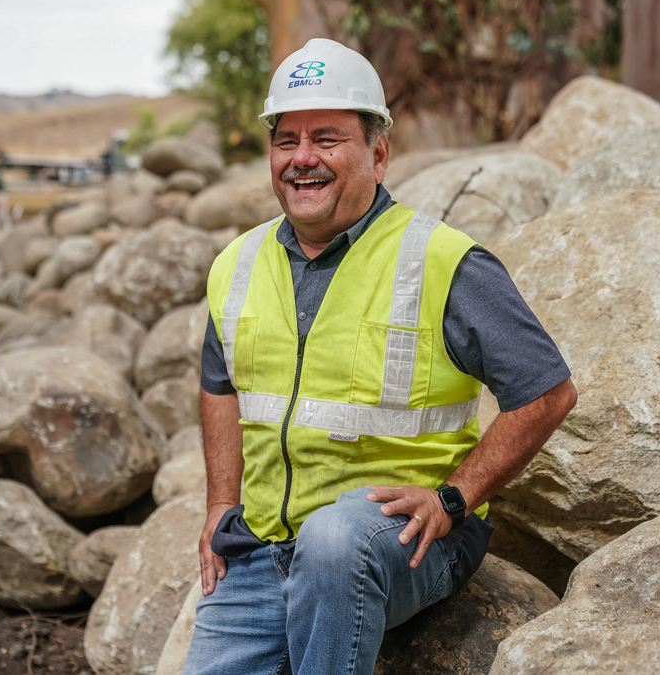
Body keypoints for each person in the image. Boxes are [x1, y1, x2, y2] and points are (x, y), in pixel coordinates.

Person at [183, 38, 577, 675]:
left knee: (334, 540)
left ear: (379, 152)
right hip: (261, 546)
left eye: (328, 139)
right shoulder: (238, 263)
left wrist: (454, 498)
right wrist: (217, 506)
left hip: (399, 537)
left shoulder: (444, 261)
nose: (302, 159)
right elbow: (220, 384)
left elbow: (547, 391)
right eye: (287, 140)